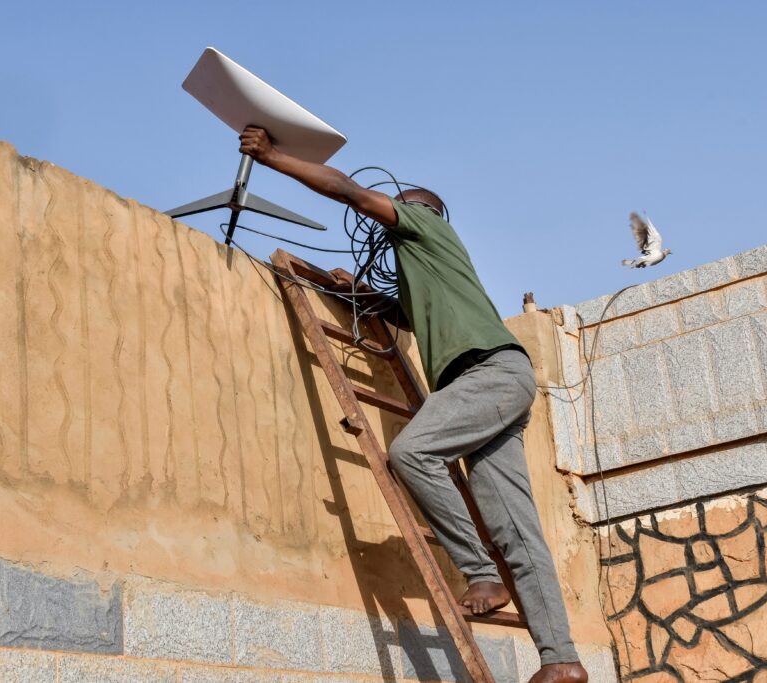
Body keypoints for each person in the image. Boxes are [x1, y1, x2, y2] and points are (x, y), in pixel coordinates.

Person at [239, 126, 588, 683]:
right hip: (496, 384)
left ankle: (479, 571)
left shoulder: (426, 225)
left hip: (487, 374)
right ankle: (562, 660)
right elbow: (402, 312)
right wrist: (357, 293)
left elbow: (350, 192)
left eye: (401, 205)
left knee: (412, 453)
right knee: (517, 531)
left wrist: (273, 156)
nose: (391, 210)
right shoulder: (423, 270)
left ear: (424, 212)